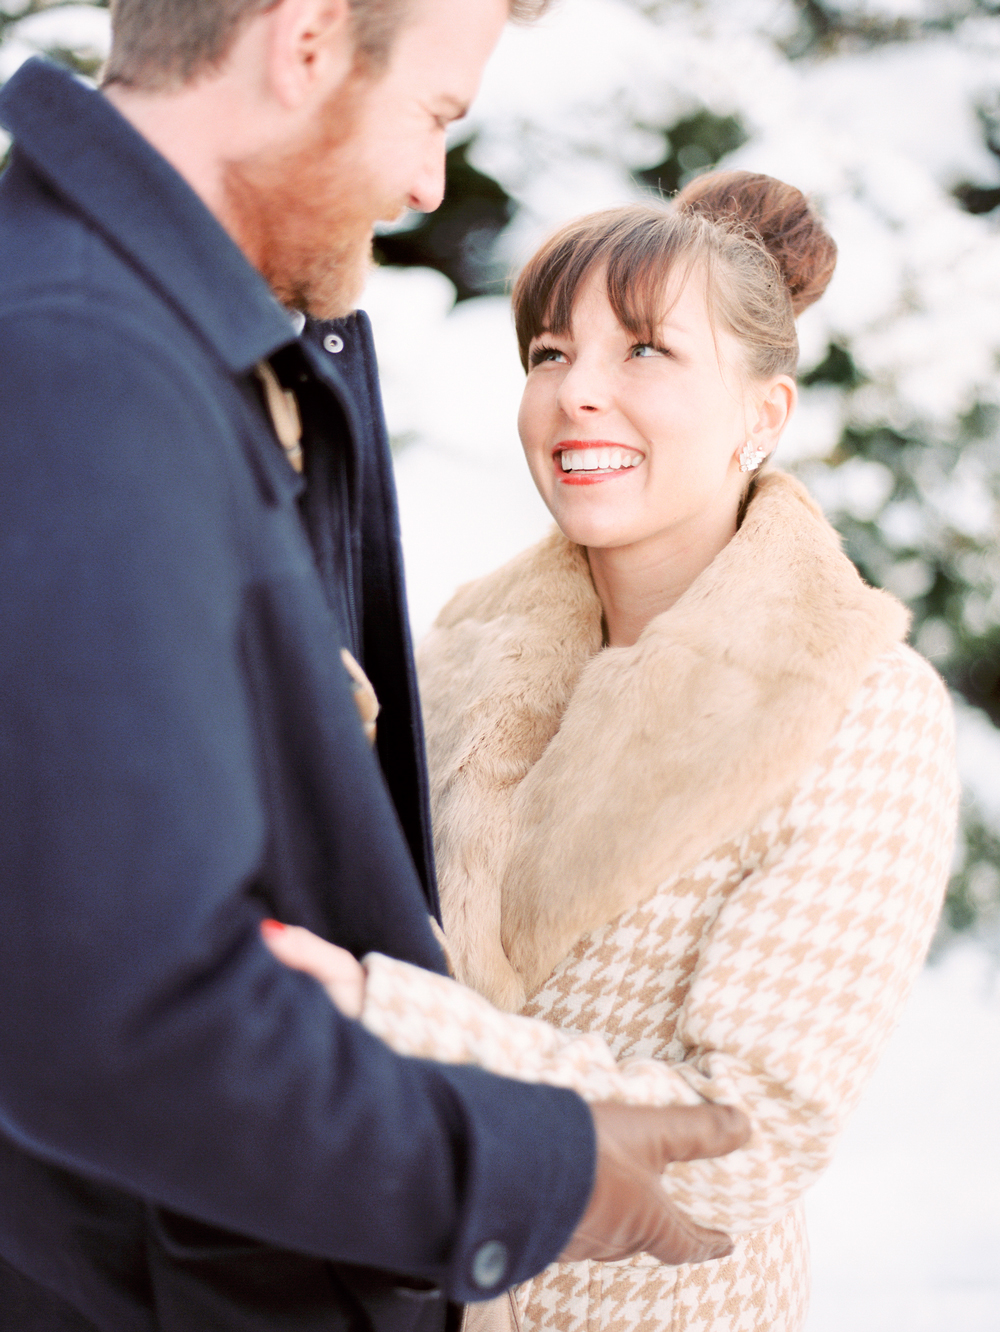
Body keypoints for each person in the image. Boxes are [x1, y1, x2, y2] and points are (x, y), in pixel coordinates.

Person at [0, 3, 752, 1330]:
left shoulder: (184, 345)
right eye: (433, 115)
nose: (428, 183)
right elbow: (118, 1015)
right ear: (304, 44)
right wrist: (529, 1167)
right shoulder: (86, 364)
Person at [263, 172, 960, 1331]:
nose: (575, 394)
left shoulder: (857, 707)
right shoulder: (460, 656)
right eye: (548, 353)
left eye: (644, 352)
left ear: (764, 414)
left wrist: (385, 1016)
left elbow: (741, 1138)